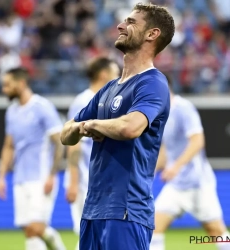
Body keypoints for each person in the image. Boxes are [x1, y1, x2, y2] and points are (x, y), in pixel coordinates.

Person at [60, 3, 175, 250]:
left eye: (131, 22)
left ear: (152, 34)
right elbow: (65, 134)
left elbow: (131, 127)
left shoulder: (153, 83)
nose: (121, 25)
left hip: (126, 209)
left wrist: (91, 124)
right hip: (92, 210)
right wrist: (82, 128)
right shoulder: (109, 88)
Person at [150, 76, 230, 250]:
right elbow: (165, 151)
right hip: (176, 186)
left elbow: (197, 141)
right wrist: (149, 174)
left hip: (197, 183)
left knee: (216, 232)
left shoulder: (183, 108)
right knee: (153, 227)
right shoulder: (161, 115)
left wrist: (175, 167)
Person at [0, 67, 66, 250]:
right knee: (28, 230)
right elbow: (9, 146)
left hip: (40, 178)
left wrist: (52, 175)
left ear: (21, 83)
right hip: (20, 179)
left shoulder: (41, 107)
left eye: (7, 85)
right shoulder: (11, 112)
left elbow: (58, 142)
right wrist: (1, 177)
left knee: (36, 227)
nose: (4, 90)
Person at [65, 57, 120, 250]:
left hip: (103, 180)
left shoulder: (111, 101)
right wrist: (73, 181)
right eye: (115, 73)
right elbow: (73, 145)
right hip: (84, 181)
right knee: (87, 236)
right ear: (104, 75)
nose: (119, 77)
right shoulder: (83, 100)